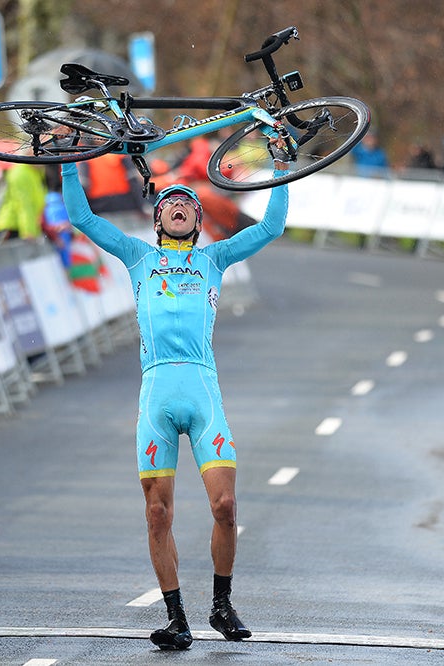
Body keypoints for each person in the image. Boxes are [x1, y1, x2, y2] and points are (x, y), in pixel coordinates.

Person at [60, 148, 289, 650]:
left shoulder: (214, 258)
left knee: (226, 505)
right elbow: (80, 215)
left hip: (203, 390)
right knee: (157, 514)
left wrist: (280, 165)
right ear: (158, 216)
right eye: (170, 202)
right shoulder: (139, 257)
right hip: (156, 394)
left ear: (199, 218)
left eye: (188, 201)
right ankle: (176, 616)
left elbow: (272, 226)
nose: (179, 205)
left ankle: (221, 604)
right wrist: (69, 156)